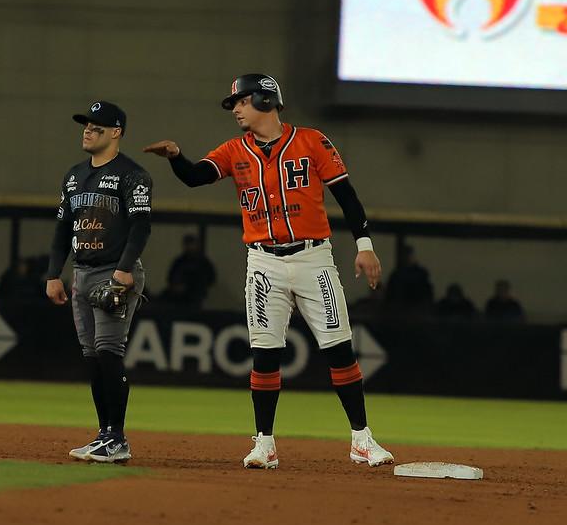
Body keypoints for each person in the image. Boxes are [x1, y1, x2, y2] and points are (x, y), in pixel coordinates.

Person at [144, 73, 393, 469]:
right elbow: (196, 177)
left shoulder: (312, 140)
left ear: (264, 99)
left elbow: (347, 196)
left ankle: (361, 439)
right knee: (264, 354)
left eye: (241, 102)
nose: (236, 110)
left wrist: (365, 245)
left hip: (313, 258)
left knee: (339, 348)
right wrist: (176, 156)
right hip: (263, 261)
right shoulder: (233, 150)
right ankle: (265, 444)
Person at [46, 101, 152, 463]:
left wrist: (124, 269)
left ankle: (117, 437)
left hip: (114, 272)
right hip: (82, 272)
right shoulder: (74, 175)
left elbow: (140, 226)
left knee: (109, 351)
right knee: (92, 356)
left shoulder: (132, 175)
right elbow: (62, 229)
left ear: (116, 132)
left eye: (97, 126)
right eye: (86, 125)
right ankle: (104, 433)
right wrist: (52, 274)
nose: (88, 130)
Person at [159, 234, 216, 307]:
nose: (189, 247)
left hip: (194, 295)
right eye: (187, 244)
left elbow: (210, 278)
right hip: (177, 297)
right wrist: (176, 286)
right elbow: (171, 277)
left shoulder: (203, 262)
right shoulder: (179, 261)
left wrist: (193, 286)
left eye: (191, 244)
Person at [385, 244, 434, 314]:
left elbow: (426, 294)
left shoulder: (421, 274)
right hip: (400, 312)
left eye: (409, 255)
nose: (407, 258)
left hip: (417, 310)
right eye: (406, 255)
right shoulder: (396, 275)